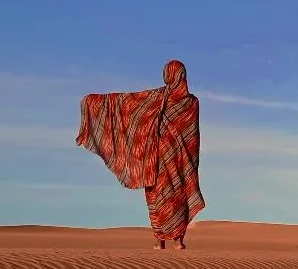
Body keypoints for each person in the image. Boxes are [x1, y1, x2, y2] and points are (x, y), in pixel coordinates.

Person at [76, 59, 206, 250]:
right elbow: (192, 138)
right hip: (177, 160)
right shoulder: (189, 102)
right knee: (175, 195)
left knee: (162, 196)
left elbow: (127, 103)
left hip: (160, 157)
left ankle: (161, 241)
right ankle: (176, 241)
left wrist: (92, 101)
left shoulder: (162, 97)